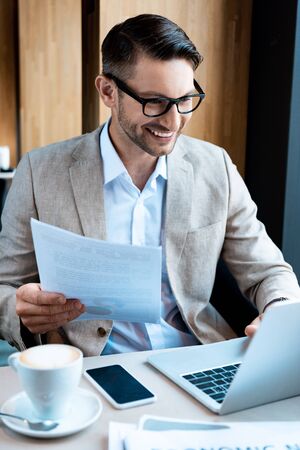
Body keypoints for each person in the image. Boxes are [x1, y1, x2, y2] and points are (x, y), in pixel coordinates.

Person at [0, 14, 299, 356]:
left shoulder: (216, 167)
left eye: (185, 99)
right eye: (155, 101)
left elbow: (269, 272)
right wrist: (20, 310)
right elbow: (3, 286)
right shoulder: (40, 172)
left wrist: (279, 310)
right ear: (108, 91)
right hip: (91, 368)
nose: (173, 121)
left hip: (195, 357)